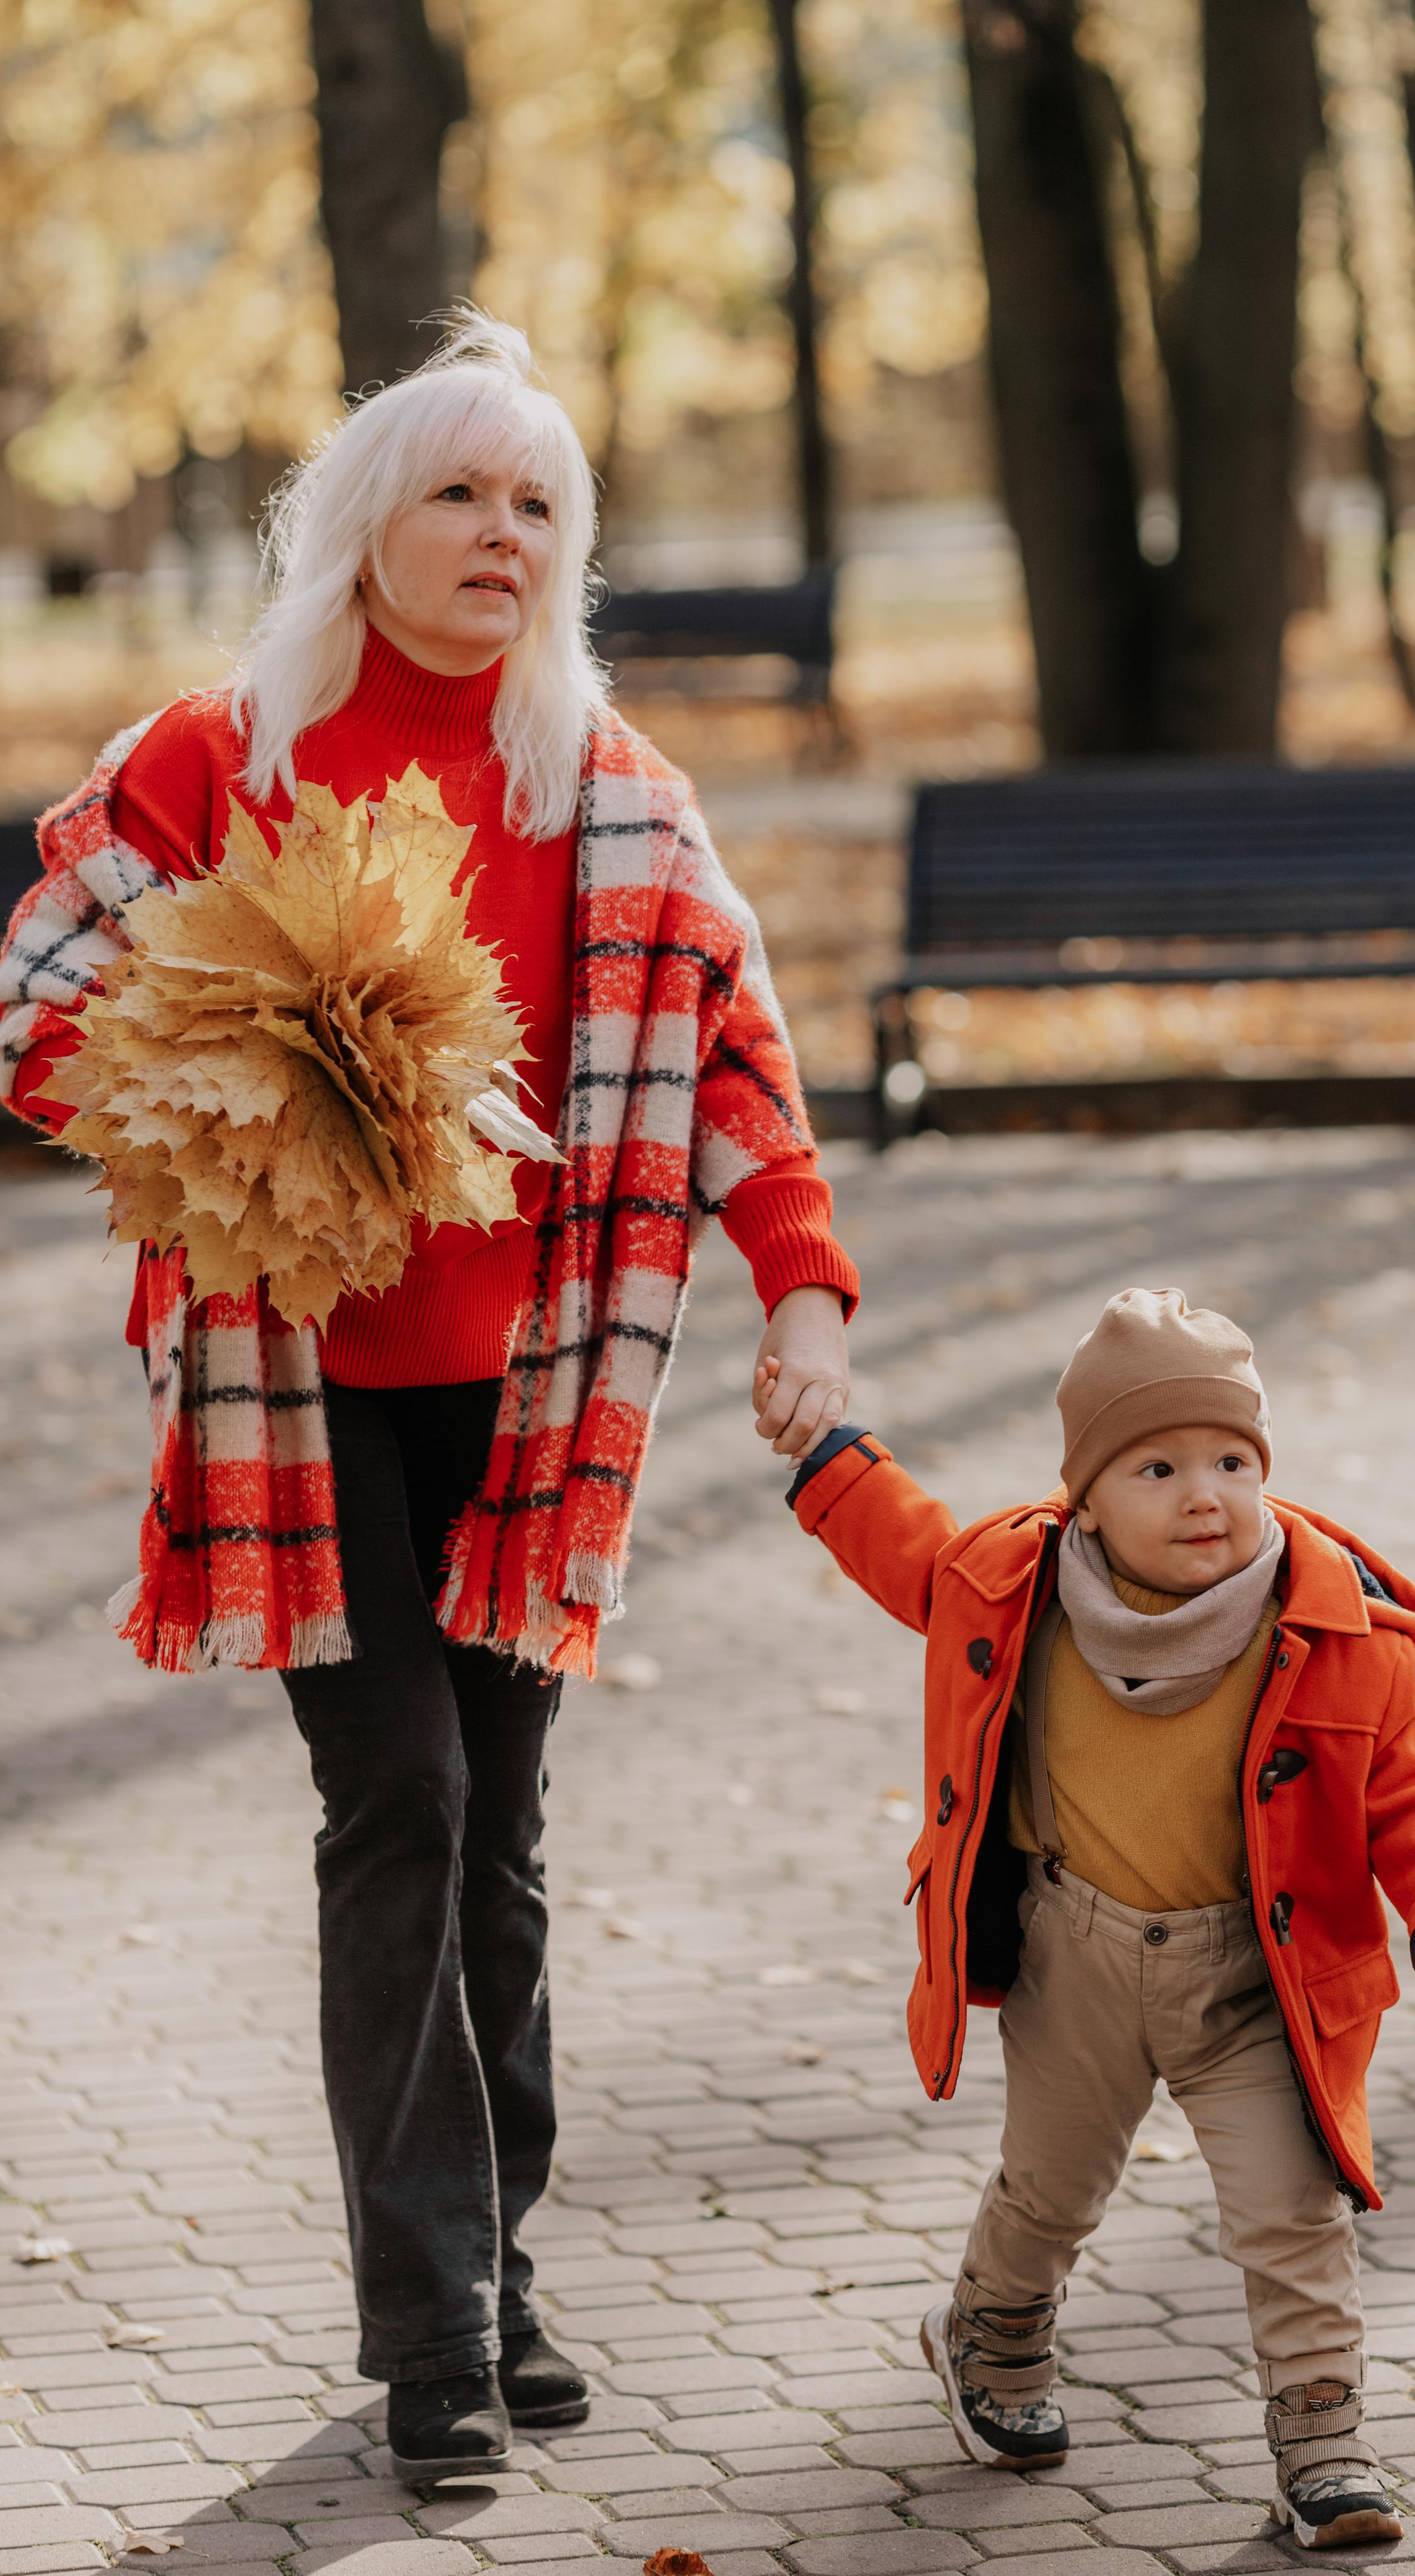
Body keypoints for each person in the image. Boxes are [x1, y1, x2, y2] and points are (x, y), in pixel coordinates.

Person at [0, 315, 858, 2483]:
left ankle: (506, 2261)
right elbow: (39, 996)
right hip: (303, 1410)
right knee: (402, 1805)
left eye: (540, 502)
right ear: (368, 520)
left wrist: (808, 1293)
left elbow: (736, 1053)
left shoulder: (611, 790)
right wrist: (191, 1116)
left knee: (506, 1841)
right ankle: (432, 2345)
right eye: (463, 492)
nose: (503, 533)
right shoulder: (225, 756)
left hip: (535, 1393)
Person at [772, 1287, 1415, 2549]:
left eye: (1234, 1460)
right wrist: (822, 1453)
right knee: (1051, 2192)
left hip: (1257, 1976)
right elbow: (909, 1552)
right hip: (1077, 1954)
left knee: (1293, 2211)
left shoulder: (1334, 1628)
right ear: (1087, 1495)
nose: (1205, 1494)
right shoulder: (1022, 1586)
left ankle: (1324, 2443)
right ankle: (991, 2341)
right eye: (1159, 1464)